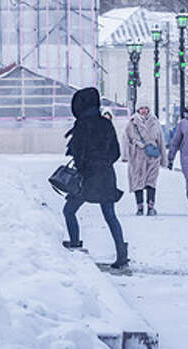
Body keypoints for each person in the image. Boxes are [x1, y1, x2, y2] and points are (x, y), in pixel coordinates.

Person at [62, 87, 129, 269]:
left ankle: (75, 244)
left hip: (87, 177)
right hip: (107, 175)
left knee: (69, 210)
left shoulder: (81, 125)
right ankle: (122, 255)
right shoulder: (106, 124)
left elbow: (78, 152)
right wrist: (104, 162)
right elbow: (115, 152)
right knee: (110, 215)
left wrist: (84, 167)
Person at [122, 101, 167, 216]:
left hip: (152, 156)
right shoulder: (132, 122)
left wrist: (163, 159)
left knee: (151, 181)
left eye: (146, 108)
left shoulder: (155, 122)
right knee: (138, 181)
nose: (143, 110)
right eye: (141, 108)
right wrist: (126, 155)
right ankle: (140, 206)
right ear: (138, 110)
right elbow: (125, 139)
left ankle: (151, 206)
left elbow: (161, 140)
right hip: (137, 156)